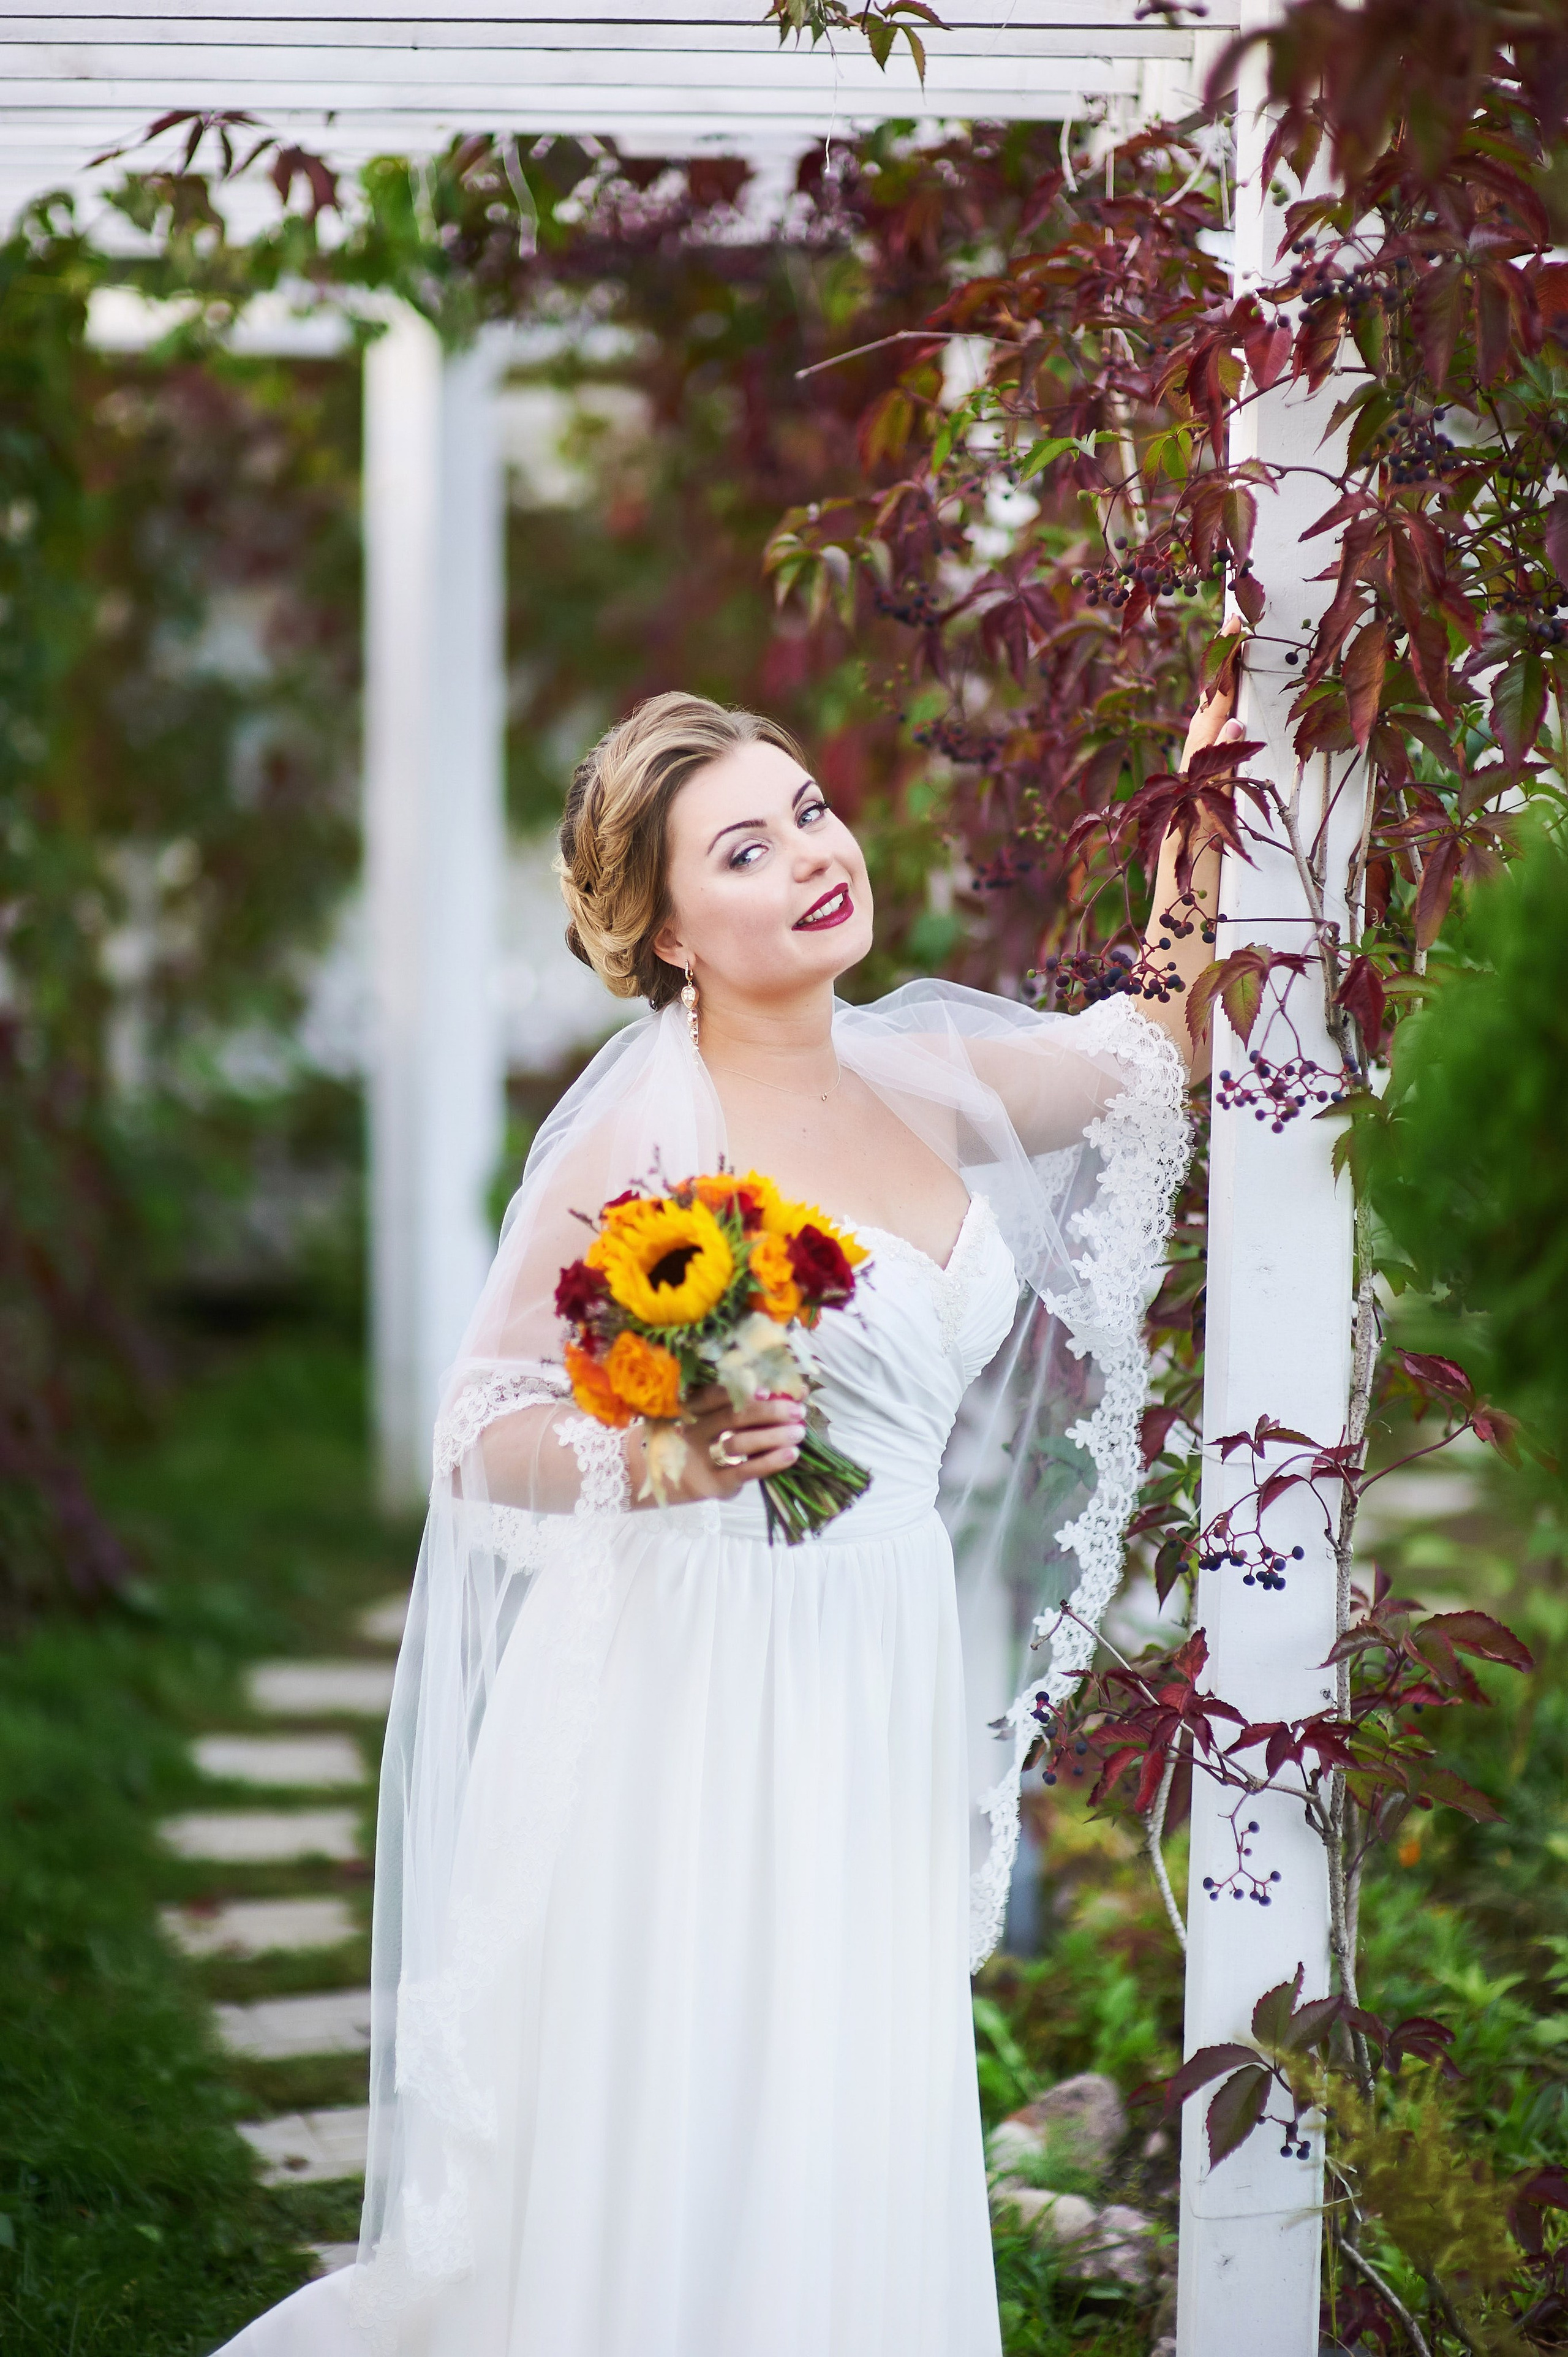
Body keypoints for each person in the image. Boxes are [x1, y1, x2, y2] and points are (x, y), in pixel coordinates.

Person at [219, 673, 1242, 2357]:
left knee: (847, 2063)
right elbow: (478, 1433)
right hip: (692, 1675)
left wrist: (1213, 774)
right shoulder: (643, 1124)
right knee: (699, 2064)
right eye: (746, 851)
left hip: (876, 1646)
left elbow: (1157, 1040)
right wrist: (662, 1459)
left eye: (811, 815)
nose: (810, 859)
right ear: (674, 933)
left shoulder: (926, 1075)